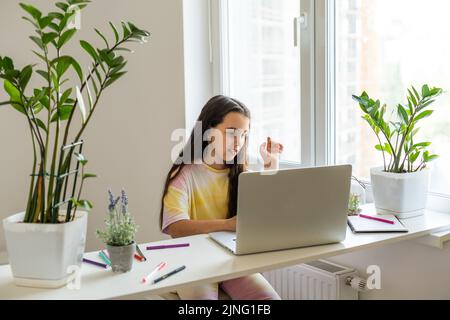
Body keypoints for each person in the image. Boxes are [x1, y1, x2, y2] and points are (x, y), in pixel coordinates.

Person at [160, 95, 284, 300]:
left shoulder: (240, 172)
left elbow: (267, 209)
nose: (239, 142)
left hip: (228, 259)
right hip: (191, 260)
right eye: (232, 133)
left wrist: (272, 163)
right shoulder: (184, 174)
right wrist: (227, 224)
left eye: (244, 134)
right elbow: (176, 227)